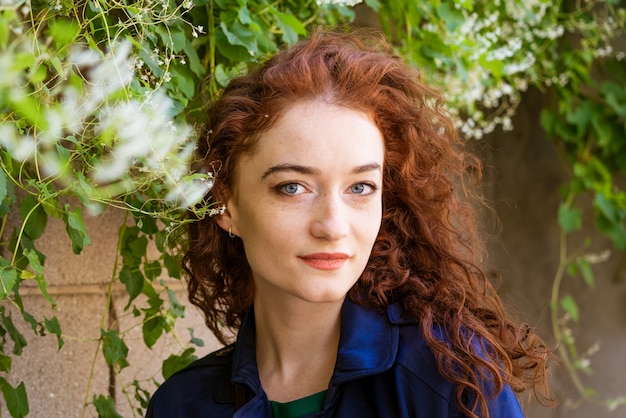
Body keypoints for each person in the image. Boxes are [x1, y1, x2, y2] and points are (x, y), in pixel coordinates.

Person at [146, 29, 551, 418]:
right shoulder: (181, 406)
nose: (333, 226)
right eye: (292, 188)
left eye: (360, 187)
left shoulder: (451, 381)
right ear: (225, 205)